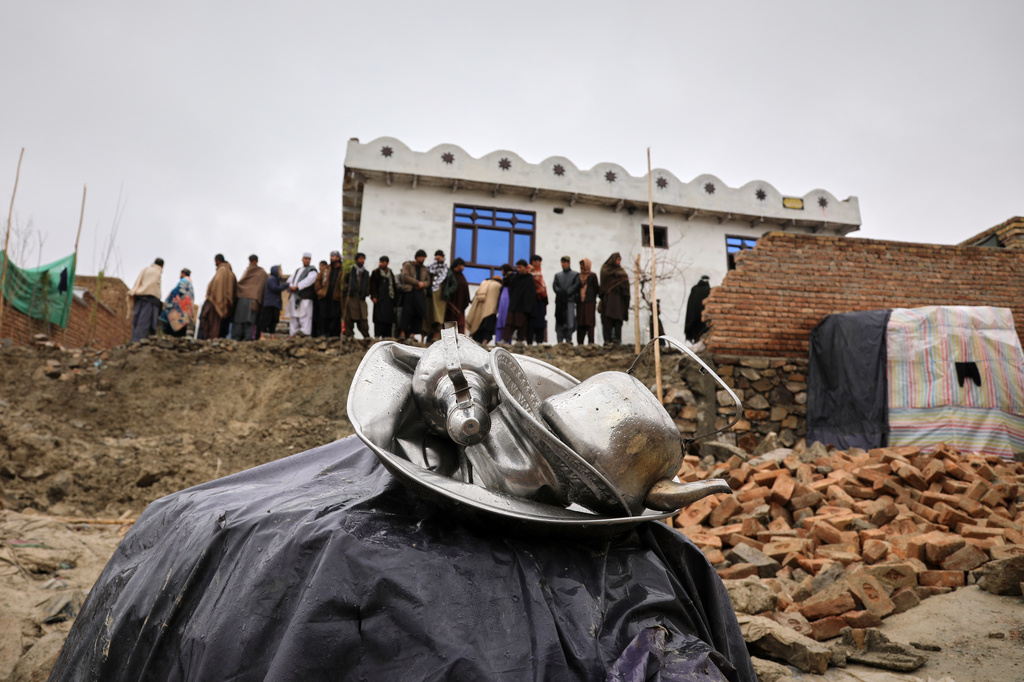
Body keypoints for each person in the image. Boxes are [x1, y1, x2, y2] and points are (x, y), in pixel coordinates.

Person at [200, 254, 236, 340]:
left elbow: (216, 284)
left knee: (212, 323)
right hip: (226, 305)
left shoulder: (222, 270)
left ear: (217, 260)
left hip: (216, 303)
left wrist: (213, 297)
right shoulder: (230, 272)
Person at [232, 254, 268, 341]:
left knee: (244, 320)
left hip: (245, 298)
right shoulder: (262, 273)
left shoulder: (252, 271)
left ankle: (239, 338)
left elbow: (240, 283)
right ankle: (244, 339)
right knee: (247, 320)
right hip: (252, 299)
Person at [127, 258, 163, 343]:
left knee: (137, 321)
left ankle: (134, 340)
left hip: (139, 298)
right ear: (162, 266)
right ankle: (138, 341)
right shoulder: (157, 272)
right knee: (145, 322)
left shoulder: (146, 270)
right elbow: (153, 286)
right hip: (150, 301)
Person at [399, 249, 431, 342]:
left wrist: (422, 285)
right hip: (409, 291)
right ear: (417, 257)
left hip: (420, 293)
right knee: (407, 312)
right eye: (421, 257)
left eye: (424, 257)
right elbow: (405, 276)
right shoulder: (408, 265)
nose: (423, 259)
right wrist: (417, 283)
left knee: (418, 313)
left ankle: (413, 334)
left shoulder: (425, 269)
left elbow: (428, 281)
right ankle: (402, 333)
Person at [599, 252, 630, 345]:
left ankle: (617, 339)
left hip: (619, 299)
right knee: (607, 319)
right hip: (608, 299)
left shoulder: (622, 272)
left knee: (618, 320)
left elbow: (626, 287)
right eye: (617, 259)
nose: (619, 262)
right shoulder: (605, 269)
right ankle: (607, 339)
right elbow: (603, 285)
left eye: (620, 260)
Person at [466, 269, 503, 344]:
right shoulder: (498, 286)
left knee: (478, 327)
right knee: (488, 328)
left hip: (479, 311)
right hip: (490, 311)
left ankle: (476, 344)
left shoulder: (484, 283)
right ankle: (485, 344)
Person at [287, 252, 319, 337]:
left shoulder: (312, 270)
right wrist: (291, 286)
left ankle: (305, 333)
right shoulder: (298, 270)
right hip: (295, 296)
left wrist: (297, 286)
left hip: (305, 297)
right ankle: (293, 333)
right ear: (302, 259)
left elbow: (309, 280)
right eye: (305, 259)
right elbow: (290, 280)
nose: (307, 261)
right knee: (294, 315)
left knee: (305, 315)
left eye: (308, 259)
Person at [503, 259, 535, 344]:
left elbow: (531, 295)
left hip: (524, 307)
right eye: (517, 267)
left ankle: (521, 341)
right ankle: (505, 340)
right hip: (513, 305)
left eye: (520, 267)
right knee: (509, 323)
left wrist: (529, 308)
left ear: (525, 268)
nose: (518, 269)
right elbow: (509, 288)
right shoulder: (515, 279)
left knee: (522, 325)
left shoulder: (529, 279)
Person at [342, 251, 371, 339]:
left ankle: (366, 337)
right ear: (356, 260)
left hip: (361, 298)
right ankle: (349, 335)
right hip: (351, 297)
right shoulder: (350, 271)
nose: (362, 261)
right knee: (349, 316)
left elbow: (368, 285)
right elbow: (343, 282)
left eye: (363, 259)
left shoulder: (366, 273)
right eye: (360, 259)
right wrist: (348, 288)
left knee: (363, 317)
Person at [552, 256, 580, 344]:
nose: (563, 264)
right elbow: (555, 286)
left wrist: (567, 292)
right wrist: (561, 293)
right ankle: (559, 340)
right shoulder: (558, 275)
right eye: (562, 262)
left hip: (569, 301)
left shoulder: (575, 275)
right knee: (559, 320)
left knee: (570, 321)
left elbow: (576, 285)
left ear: (569, 263)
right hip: (560, 302)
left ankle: (568, 339)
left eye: (565, 262)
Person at [160, 268, 194, 338]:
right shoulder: (190, 285)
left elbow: (175, 293)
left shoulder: (183, 281)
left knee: (172, 330)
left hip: (178, 309)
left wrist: (168, 301)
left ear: (183, 274)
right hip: (185, 311)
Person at [369, 256, 397, 338]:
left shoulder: (390, 273)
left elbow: (394, 287)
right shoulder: (376, 273)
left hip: (389, 301)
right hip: (379, 300)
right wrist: (374, 296)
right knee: (378, 320)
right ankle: (377, 336)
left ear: (387, 263)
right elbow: (372, 285)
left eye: (383, 262)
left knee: (388, 321)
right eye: (380, 262)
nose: (381, 264)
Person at [443, 258, 472, 334]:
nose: (464, 268)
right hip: (450, 304)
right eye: (462, 265)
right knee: (449, 323)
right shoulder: (450, 274)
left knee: (460, 324)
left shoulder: (462, 276)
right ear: (458, 265)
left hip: (460, 304)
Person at [259, 265, 289, 339]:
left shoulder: (277, 280)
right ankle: (262, 335)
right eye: (280, 271)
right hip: (270, 304)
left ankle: (272, 336)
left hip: (275, 304)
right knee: (266, 319)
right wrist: (286, 285)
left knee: (273, 320)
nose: (282, 272)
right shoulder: (271, 279)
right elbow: (274, 288)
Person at [426, 249, 449, 341]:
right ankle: (429, 337)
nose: (438, 257)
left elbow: (451, 284)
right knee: (429, 315)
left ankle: (437, 336)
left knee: (438, 316)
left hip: (440, 296)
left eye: (440, 255)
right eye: (437, 255)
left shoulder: (446, 269)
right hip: (430, 294)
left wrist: (446, 292)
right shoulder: (430, 268)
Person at [321, 251, 344, 337]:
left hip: (337, 298)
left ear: (338, 258)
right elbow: (318, 281)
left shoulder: (342, 270)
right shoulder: (326, 269)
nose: (331, 258)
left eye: (333, 256)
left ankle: (334, 335)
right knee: (325, 316)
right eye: (331, 256)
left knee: (336, 316)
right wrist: (321, 292)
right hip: (327, 297)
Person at [526, 255, 548, 345]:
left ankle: (539, 341)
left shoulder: (539, 273)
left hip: (540, 300)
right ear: (533, 262)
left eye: (540, 261)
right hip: (532, 300)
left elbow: (542, 287)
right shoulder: (529, 273)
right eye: (537, 261)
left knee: (540, 322)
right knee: (531, 322)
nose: (539, 263)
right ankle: (530, 341)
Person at [685, 275, 711, 343]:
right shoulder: (707, 290)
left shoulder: (695, 289)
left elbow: (691, 307)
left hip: (694, 320)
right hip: (703, 321)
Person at [494, 263, 513, 343]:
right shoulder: (505, 279)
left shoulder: (511, 278)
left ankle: (506, 339)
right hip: (503, 302)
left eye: (502, 270)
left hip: (508, 302)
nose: (501, 272)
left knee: (506, 320)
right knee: (501, 320)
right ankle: (498, 339)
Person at [312, 259, 330, 337]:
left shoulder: (326, 275)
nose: (321, 267)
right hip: (317, 299)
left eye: (322, 266)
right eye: (320, 265)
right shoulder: (318, 275)